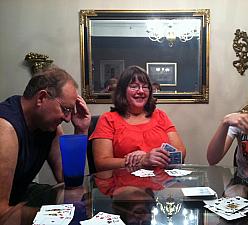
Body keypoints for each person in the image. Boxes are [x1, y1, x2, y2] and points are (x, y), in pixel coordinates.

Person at [0, 66, 91, 215]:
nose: (68, 119)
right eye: (66, 109)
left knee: (78, 197)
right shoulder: (5, 128)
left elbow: (68, 179)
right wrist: (55, 215)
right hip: (6, 209)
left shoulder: (50, 129)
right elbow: (1, 213)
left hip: (20, 195)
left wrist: (81, 130)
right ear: (41, 98)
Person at [90, 65, 186, 171]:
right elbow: (101, 163)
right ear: (122, 91)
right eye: (134, 86)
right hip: (123, 185)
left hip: (162, 184)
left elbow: (181, 152)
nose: (141, 91)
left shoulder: (160, 115)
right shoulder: (107, 119)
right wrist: (141, 160)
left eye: (145, 87)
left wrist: (155, 157)